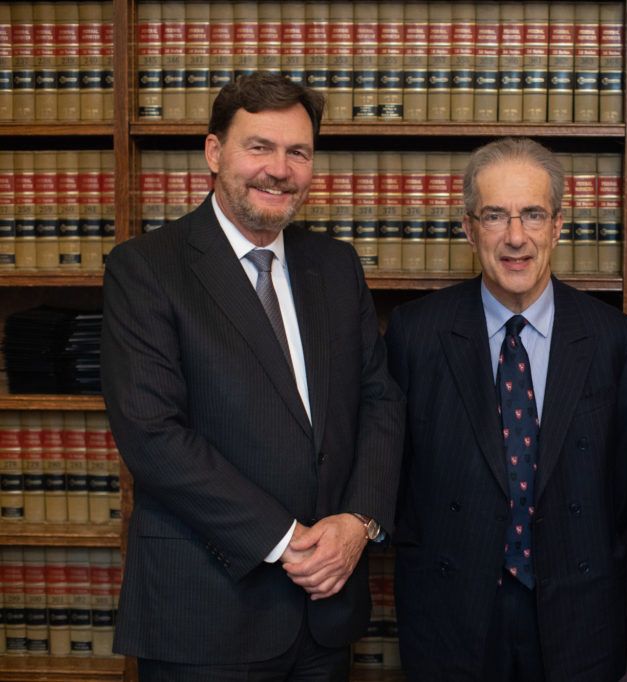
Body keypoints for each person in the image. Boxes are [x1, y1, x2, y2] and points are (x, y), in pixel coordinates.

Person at [101, 72, 405, 680]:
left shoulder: (335, 266)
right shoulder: (147, 269)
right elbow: (152, 434)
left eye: (298, 152)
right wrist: (286, 538)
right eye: (259, 147)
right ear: (214, 153)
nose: (279, 169)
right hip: (206, 611)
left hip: (325, 610)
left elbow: (379, 401)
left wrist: (357, 522)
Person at [385, 137, 627, 681]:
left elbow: (624, 494)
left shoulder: (613, 340)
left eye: (532, 214)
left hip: (578, 613)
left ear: (558, 225)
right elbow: (396, 476)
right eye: (495, 216)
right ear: (468, 227)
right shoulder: (415, 333)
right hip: (451, 614)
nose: (515, 237)